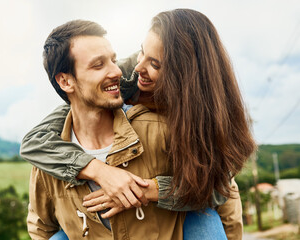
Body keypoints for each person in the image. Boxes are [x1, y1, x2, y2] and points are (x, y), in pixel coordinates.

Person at [23, 9, 256, 240]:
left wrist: (148, 190)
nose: (136, 69)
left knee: (203, 217)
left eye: (155, 64)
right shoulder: (125, 79)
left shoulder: (191, 121)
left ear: (184, 78)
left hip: (196, 200)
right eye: (141, 53)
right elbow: (43, 135)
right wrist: (100, 171)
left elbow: (219, 191)